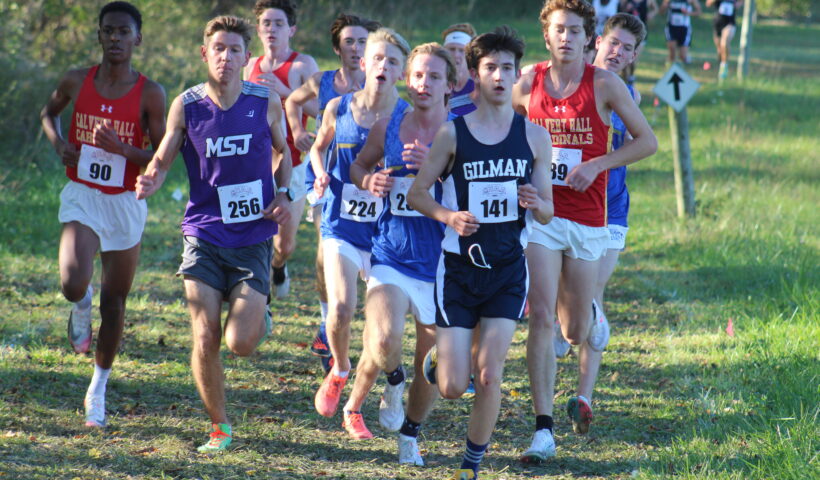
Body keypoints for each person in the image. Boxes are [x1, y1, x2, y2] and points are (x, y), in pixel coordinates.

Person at [135, 15, 292, 453]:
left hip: (253, 235)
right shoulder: (187, 105)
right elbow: (164, 157)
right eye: (218, 48)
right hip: (203, 233)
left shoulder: (265, 101)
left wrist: (282, 191)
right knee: (204, 335)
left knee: (239, 343)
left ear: (247, 57)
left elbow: (284, 152)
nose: (225, 56)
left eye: (234, 50)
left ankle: (259, 319)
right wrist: (150, 178)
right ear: (205, 53)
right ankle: (219, 426)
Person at [513, 0, 657, 463]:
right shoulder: (527, 83)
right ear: (547, 34)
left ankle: (589, 313)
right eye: (559, 29)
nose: (567, 37)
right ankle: (543, 429)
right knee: (539, 316)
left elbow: (647, 141)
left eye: (575, 30)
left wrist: (598, 163)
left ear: (585, 36)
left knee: (574, 330)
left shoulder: (606, 85)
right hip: (544, 217)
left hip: (591, 220)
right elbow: (500, 125)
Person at [409, 26, 554, 480]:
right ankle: (440, 362)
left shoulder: (534, 138)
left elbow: (548, 212)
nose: (498, 75)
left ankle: (471, 466)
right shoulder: (453, 135)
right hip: (458, 270)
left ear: (515, 75)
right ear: (474, 74)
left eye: (507, 68)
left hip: (508, 270)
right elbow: (417, 194)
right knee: (453, 386)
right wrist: (449, 217)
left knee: (489, 374)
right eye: (489, 67)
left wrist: (536, 201)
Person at [40, 0, 166, 428]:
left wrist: (124, 150)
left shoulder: (150, 92)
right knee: (73, 282)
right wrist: (60, 145)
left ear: (137, 39)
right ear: (99, 35)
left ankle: (98, 388)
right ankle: (80, 305)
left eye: (123, 32)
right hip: (84, 195)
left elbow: (161, 154)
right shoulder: (76, 81)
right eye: (108, 31)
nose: (115, 38)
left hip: (125, 202)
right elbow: (48, 113)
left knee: (115, 302)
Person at [342, 43, 455, 457]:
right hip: (391, 253)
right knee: (385, 336)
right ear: (408, 80)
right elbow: (358, 166)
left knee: (433, 364)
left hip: (442, 263)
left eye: (435, 77)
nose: (424, 84)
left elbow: (474, 195)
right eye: (419, 75)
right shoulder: (388, 126)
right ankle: (392, 379)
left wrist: (437, 166)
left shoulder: (461, 132)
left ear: (450, 86)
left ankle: (411, 434)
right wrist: (368, 181)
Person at [552, 10, 647, 433]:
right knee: (570, 292)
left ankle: (584, 395)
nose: (618, 52)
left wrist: (601, 164)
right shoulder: (569, 81)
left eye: (627, 49)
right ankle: (570, 318)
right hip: (562, 204)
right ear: (597, 43)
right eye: (613, 43)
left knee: (594, 290)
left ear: (633, 57)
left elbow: (642, 145)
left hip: (610, 207)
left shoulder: (626, 94)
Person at [310, 28, 411, 422]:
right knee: (339, 308)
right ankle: (339, 368)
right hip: (342, 225)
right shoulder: (338, 107)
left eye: (392, 61)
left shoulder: (407, 118)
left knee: (383, 333)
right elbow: (320, 147)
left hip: (387, 236)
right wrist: (319, 173)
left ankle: (373, 392)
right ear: (363, 62)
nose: (383, 66)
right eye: (378, 58)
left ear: (402, 72)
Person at [284, 13, 381, 372]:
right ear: (337, 48)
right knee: (327, 255)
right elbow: (292, 102)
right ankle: (329, 324)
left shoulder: (380, 87)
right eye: (350, 42)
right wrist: (297, 132)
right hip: (325, 180)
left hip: (365, 185)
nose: (356, 49)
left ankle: (366, 328)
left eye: (363, 42)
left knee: (364, 263)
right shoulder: (322, 82)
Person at [245, 0, 319, 298]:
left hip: (294, 163)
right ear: (258, 30)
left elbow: (321, 109)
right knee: (253, 232)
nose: (272, 29)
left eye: (278, 24)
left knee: (284, 245)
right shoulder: (249, 65)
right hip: (256, 161)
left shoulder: (303, 65)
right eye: (266, 23)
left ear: (292, 29)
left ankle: (278, 265)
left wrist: (286, 92)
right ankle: (254, 292)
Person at [441, 23, 478, 116]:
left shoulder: (479, 87)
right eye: (451, 49)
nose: (456, 55)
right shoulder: (435, 85)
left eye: (462, 50)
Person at [619, 0, 659, 84]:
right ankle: (624, 76)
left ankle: (631, 77)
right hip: (627, 33)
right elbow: (619, 10)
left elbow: (655, 9)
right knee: (625, 58)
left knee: (632, 58)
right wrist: (625, 8)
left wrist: (650, 14)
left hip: (641, 34)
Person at [706, 0, 742, 80]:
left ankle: (724, 66)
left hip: (730, 22)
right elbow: (708, 4)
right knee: (719, 50)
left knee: (724, 43)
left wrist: (738, 4)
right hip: (718, 23)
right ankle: (720, 67)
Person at [660, 0, 701, 64]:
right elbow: (661, 12)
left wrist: (688, 13)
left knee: (682, 56)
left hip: (684, 28)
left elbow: (699, 12)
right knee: (672, 53)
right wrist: (665, 4)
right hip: (671, 27)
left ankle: (686, 60)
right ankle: (670, 67)